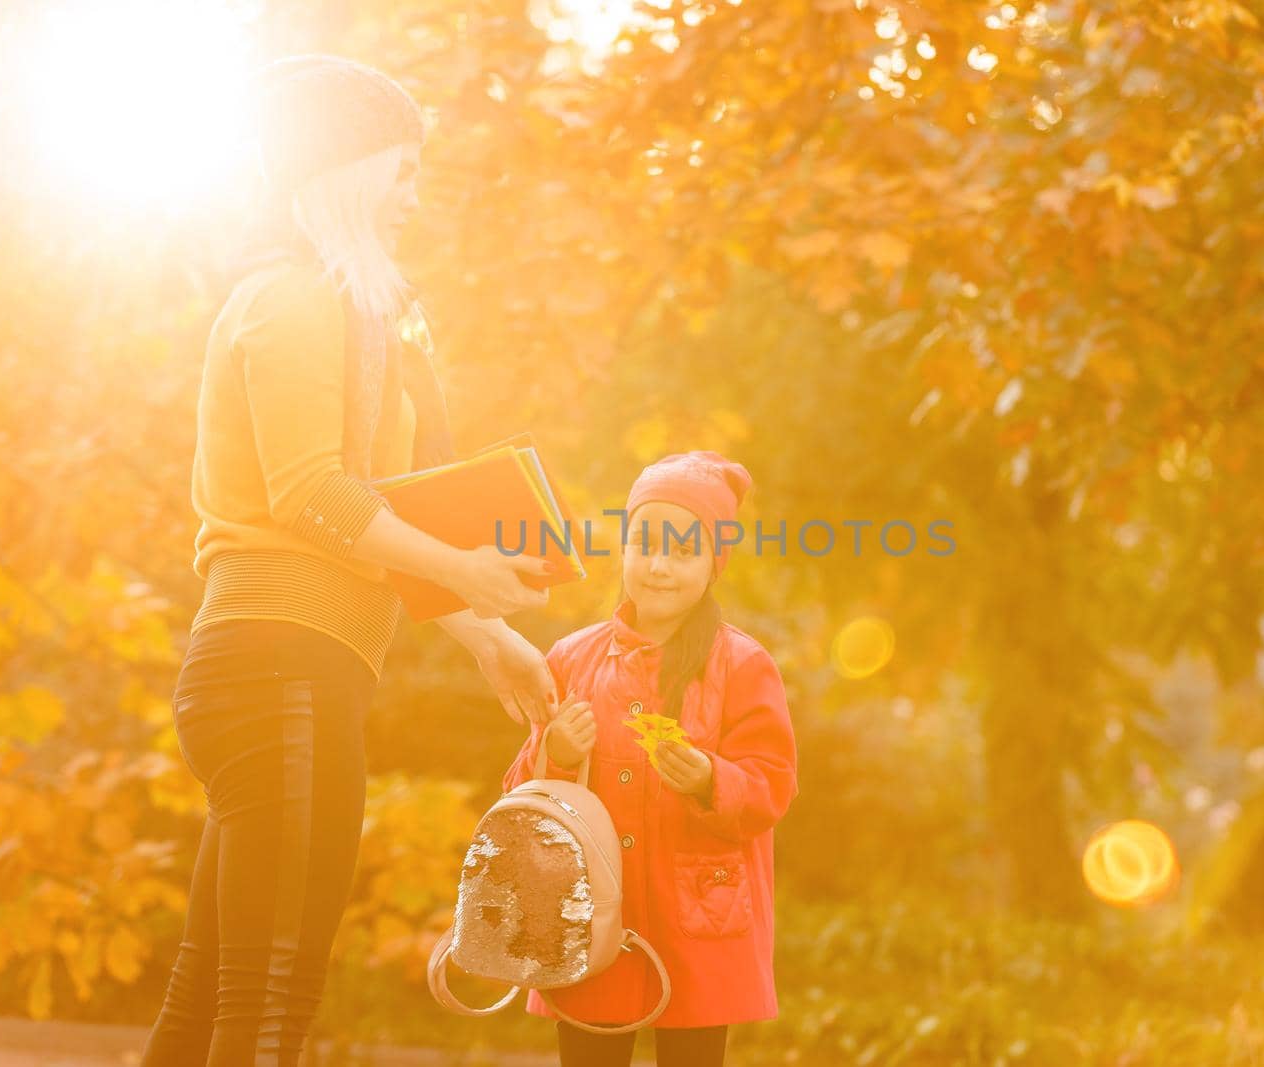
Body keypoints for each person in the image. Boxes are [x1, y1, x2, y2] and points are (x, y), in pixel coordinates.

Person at [143, 55, 559, 1066]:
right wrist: (467, 577)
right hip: (276, 666)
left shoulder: (347, 311)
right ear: (347, 165)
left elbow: (374, 519)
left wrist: (486, 634)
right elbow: (315, 499)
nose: (416, 195)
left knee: (208, 1006)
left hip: (298, 666)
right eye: (403, 169)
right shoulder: (289, 299)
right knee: (272, 1002)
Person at [501, 451, 799, 1067]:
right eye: (646, 545)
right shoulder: (570, 659)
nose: (660, 567)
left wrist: (713, 779)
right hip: (592, 915)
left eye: (683, 552)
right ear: (625, 550)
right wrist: (555, 754)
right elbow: (521, 799)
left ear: (713, 566)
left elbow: (773, 785)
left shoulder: (742, 665)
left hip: (697, 918)